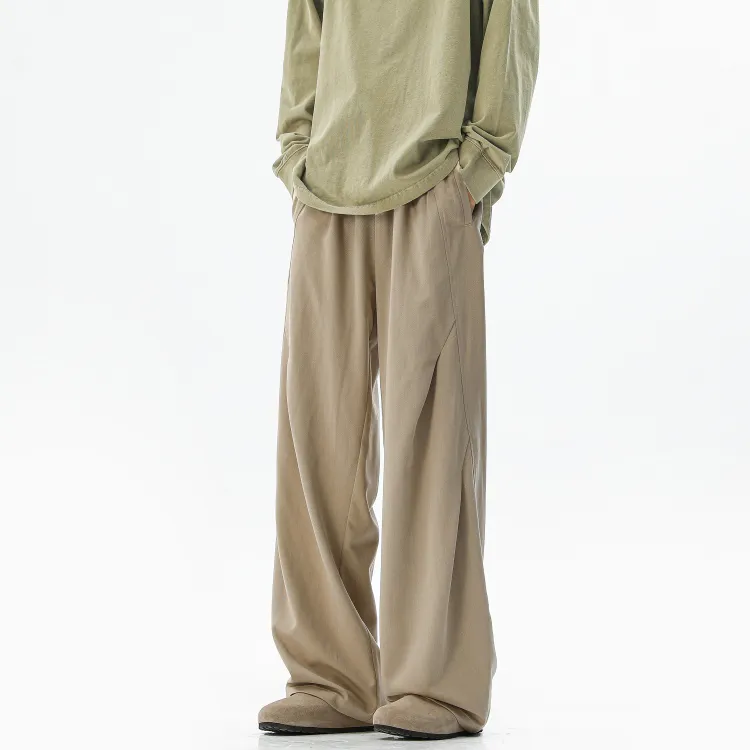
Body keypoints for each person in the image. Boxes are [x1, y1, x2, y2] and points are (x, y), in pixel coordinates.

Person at [259, 0, 539, 740]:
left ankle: (435, 682)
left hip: (434, 181)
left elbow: (509, 33)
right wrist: (296, 154)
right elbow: (308, 30)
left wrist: (476, 170)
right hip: (326, 188)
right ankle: (330, 675)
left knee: (435, 441)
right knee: (317, 441)